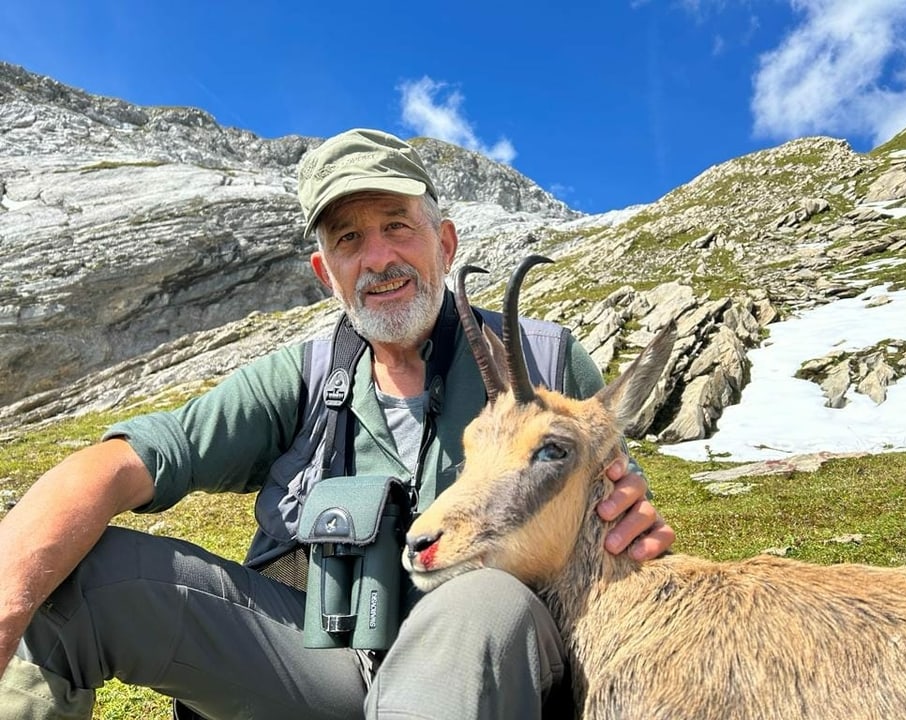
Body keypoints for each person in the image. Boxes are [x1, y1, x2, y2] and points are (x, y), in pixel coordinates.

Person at [0, 128, 675, 720]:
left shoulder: (549, 361)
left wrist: (629, 518)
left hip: (484, 662)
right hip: (325, 664)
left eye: (396, 225)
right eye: (349, 238)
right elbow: (119, 464)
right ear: (328, 272)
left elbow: (624, 519)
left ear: (444, 242)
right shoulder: (299, 377)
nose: (378, 257)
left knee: (483, 605)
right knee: (73, 581)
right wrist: (8, 599)